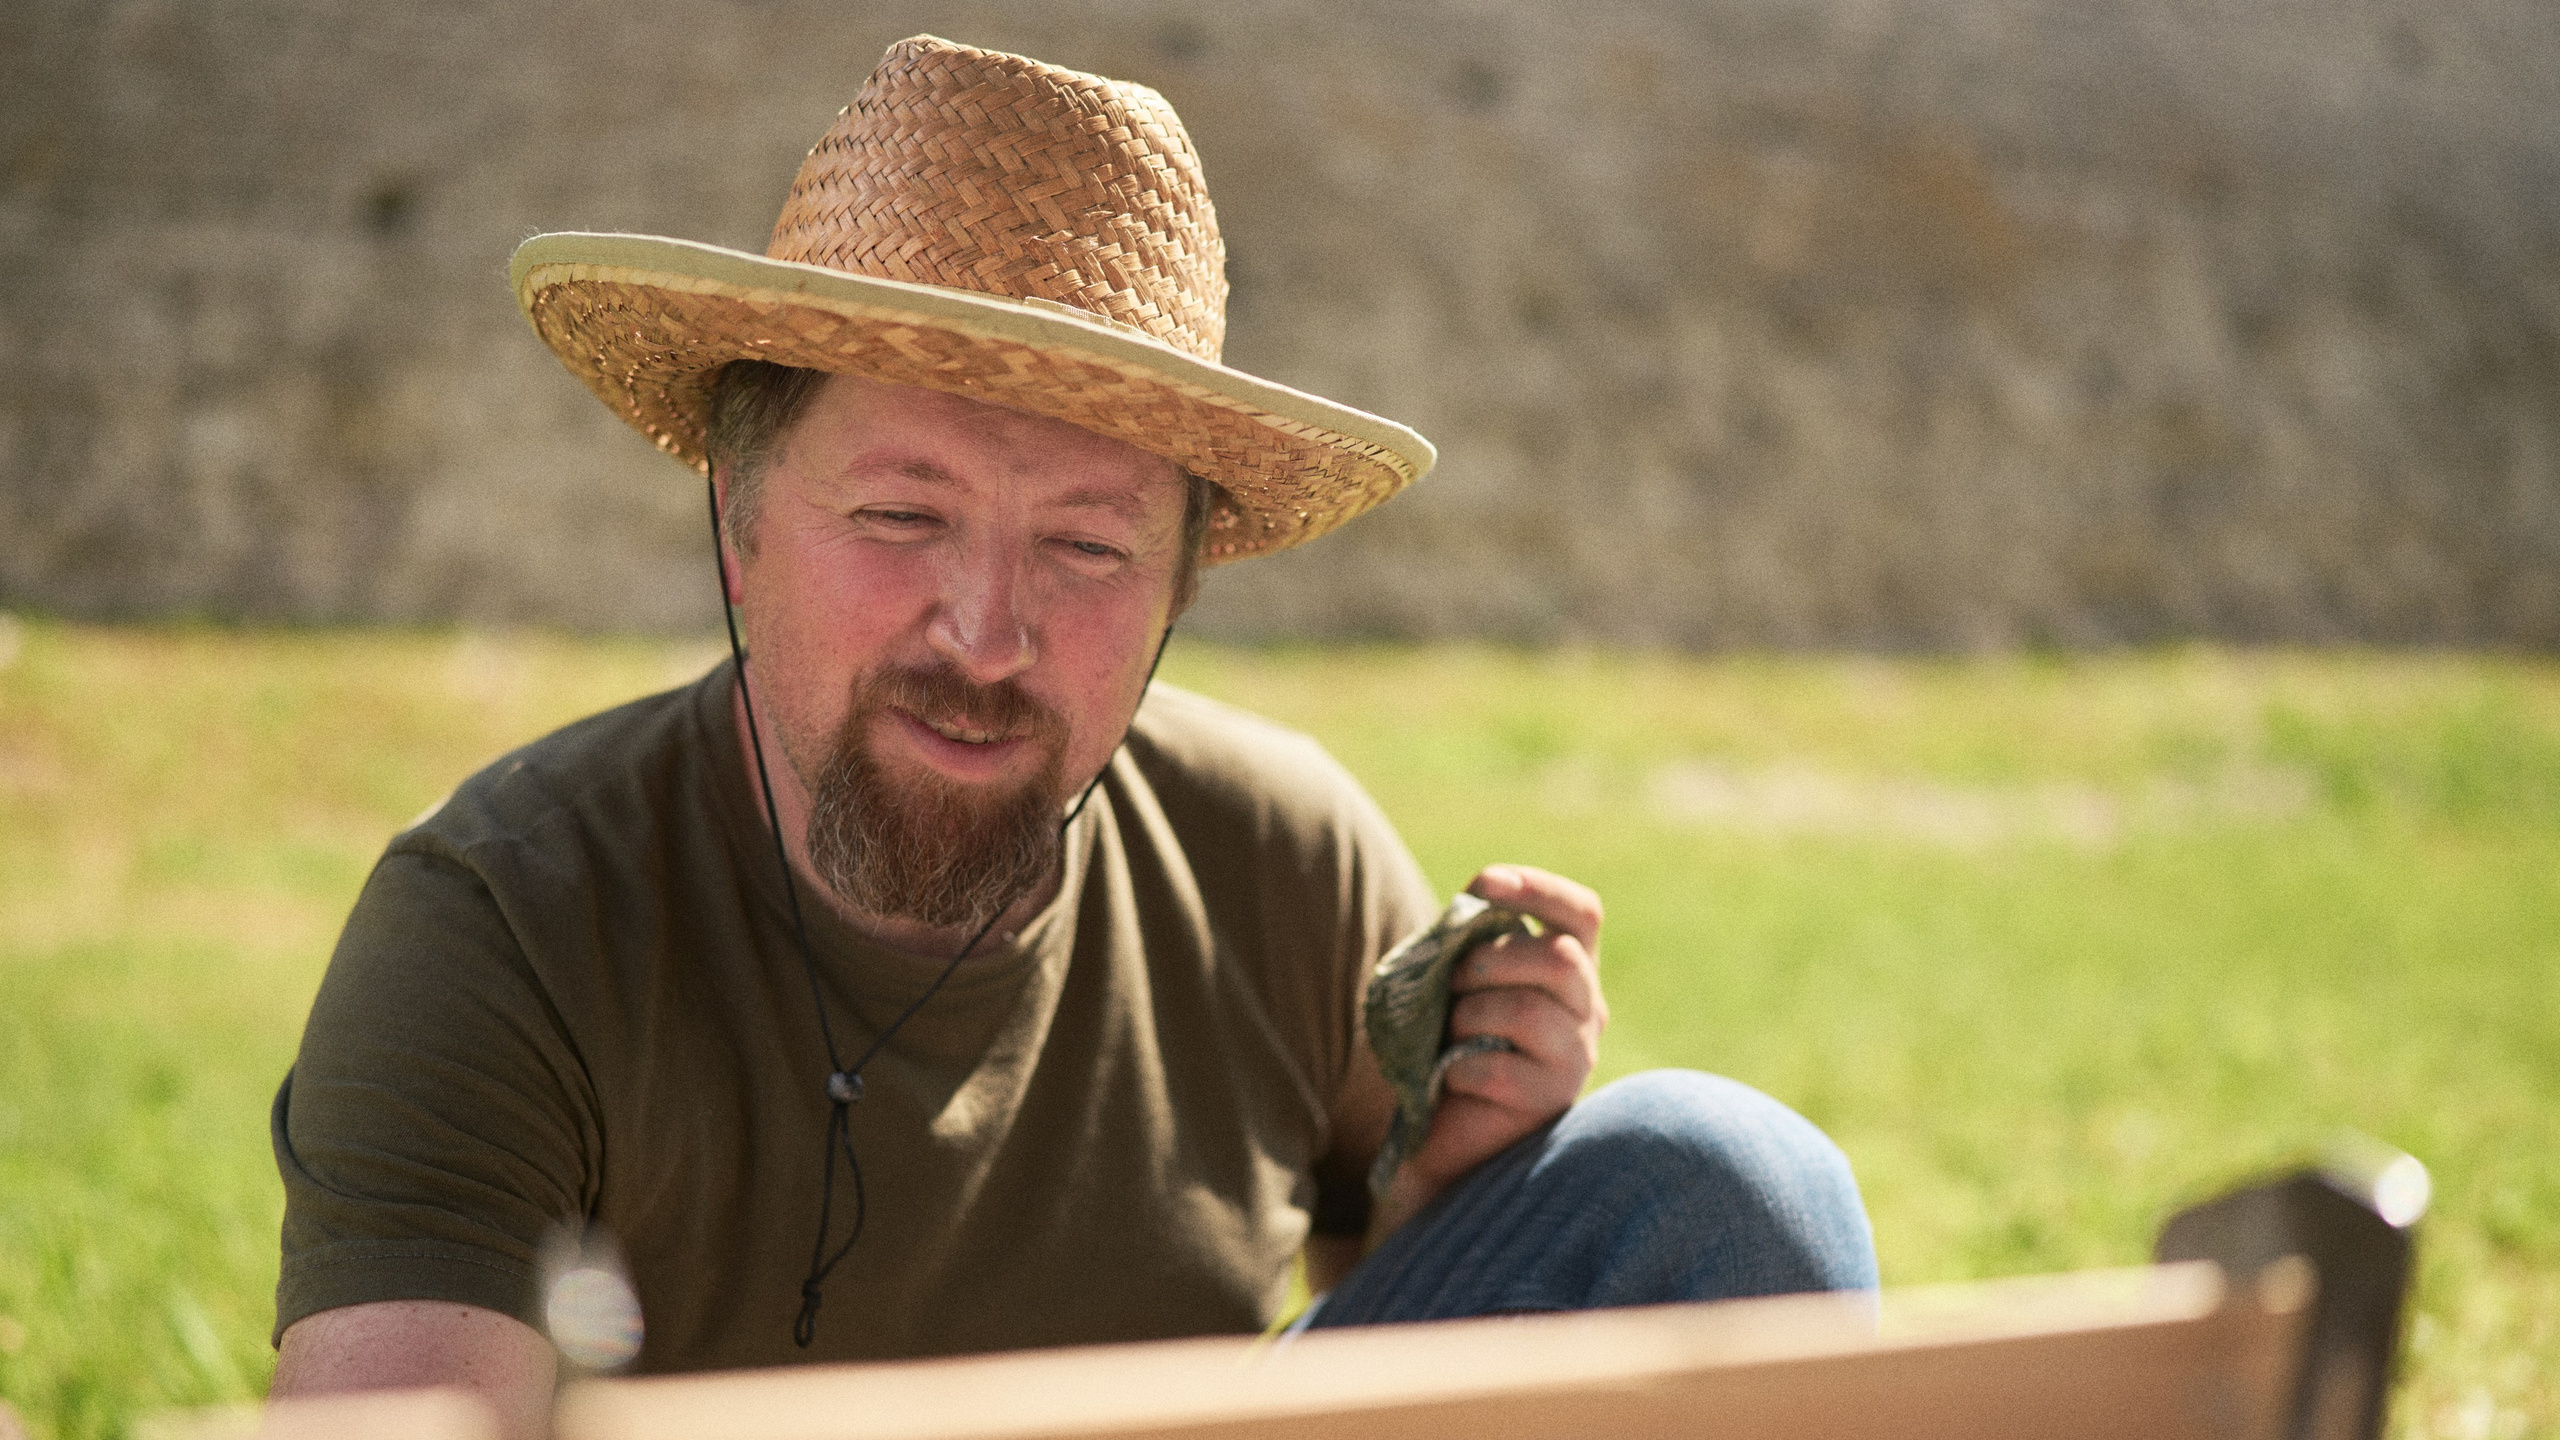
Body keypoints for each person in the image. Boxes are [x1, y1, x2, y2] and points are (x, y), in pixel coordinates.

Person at [266, 34, 1876, 1437]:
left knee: (1722, 1177)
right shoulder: (502, 928)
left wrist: (1444, 1192)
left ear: (1182, 584)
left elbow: (1406, 1355)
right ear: (739, 523)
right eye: (903, 514)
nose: (987, 633)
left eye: (1089, 547)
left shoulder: (1281, 856)